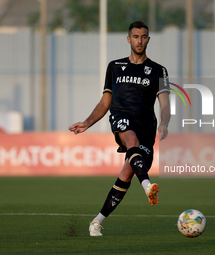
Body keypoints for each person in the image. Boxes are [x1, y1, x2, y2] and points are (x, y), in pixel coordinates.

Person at [69, 21, 170, 236]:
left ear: (148, 39)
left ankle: (96, 221)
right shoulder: (114, 67)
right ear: (128, 39)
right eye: (135, 37)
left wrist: (164, 122)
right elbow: (105, 102)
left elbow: (165, 103)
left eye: (143, 37)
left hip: (147, 125)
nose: (139, 41)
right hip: (121, 117)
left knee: (126, 174)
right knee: (130, 140)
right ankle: (147, 185)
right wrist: (87, 122)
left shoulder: (159, 71)